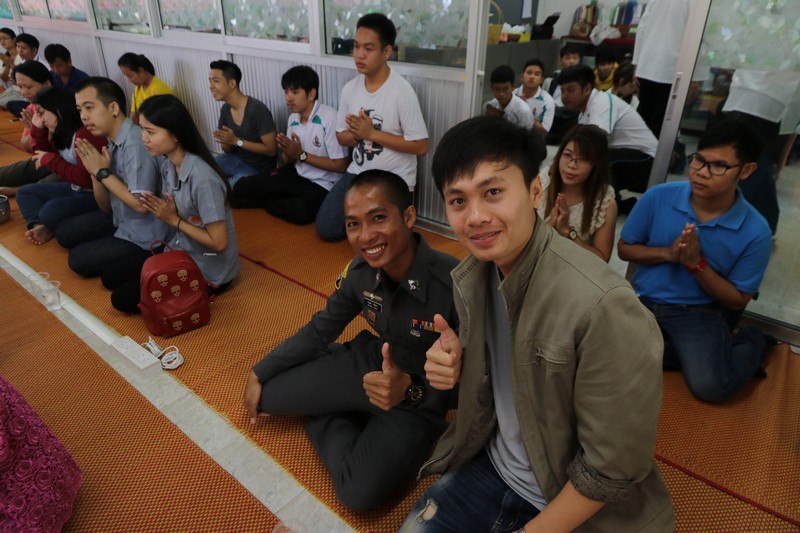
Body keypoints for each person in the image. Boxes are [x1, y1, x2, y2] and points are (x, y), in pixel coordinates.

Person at [399, 115, 674, 532]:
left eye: (493, 192)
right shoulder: (475, 276)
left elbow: (611, 468)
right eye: (458, 201)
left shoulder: (605, 306)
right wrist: (457, 366)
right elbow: (514, 385)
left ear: (534, 191)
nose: (475, 216)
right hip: (495, 466)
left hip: (576, 503)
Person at [243, 170, 458, 512]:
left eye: (378, 218)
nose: (365, 236)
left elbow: (475, 381)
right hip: (369, 365)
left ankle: (327, 407)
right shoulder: (361, 273)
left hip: (417, 400)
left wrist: (410, 388)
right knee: (266, 396)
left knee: (358, 495)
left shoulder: (454, 284)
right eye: (353, 224)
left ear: (408, 216)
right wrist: (260, 369)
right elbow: (321, 328)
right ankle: (336, 389)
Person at [618, 120, 773, 403]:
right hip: (643, 302)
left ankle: (752, 341)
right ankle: (680, 351)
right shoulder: (658, 197)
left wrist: (696, 265)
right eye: (698, 160)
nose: (701, 172)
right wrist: (668, 254)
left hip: (698, 312)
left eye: (718, 166)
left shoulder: (756, 231)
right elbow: (625, 249)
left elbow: (738, 299)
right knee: (596, 348)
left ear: (746, 170)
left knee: (711, 386)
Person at [101, 94, 240, 312]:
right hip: (181, 249)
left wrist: (174, 220)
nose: (143, 138)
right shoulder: (168, 164)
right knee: (111, 276)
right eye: (142, 130)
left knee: (121, 298)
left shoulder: (203, 179)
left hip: (209, 268)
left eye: (150, 132)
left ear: (175, 134)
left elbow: (219, 243)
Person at [316, 12, 429, 241]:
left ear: (386, 52)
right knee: (326, 228)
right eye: (356, 46)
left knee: (386, 237)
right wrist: (358, 135)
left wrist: (372, 133)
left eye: (368, 48)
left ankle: (373, 220)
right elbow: (341, 137)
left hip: (393, 178)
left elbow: (420, 146)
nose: (359, 54)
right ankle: (366, 218)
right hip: (358, 173)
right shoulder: (350, 88)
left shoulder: (401, 91)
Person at [65, 77, 170, 272]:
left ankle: (154, 256)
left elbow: (141, 205)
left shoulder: (135, 143)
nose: (84, 116)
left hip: (147, 235)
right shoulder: (113, 142)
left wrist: (102, 172)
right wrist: (95, 174)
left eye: (89, 107)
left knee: (78, 259)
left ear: (113, 108)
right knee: (66, 233)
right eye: (80, 110)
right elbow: (105, 207)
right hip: (123, 221)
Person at [233, 65, 348, 225]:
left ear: (311, 94)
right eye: (286, 92)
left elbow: (340, 166)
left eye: (295, 92)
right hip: (296, 174)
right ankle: (275, 200)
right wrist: (287, 151)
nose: (288, 98)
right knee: (241, 188)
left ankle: (266, 202)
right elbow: (288, 161)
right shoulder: (293, 118)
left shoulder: (329, 117)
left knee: (302, 212)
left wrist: (301, 155)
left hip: (323, 183)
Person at [560, 64, 658, 214]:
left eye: (570, 90)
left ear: (587, 89)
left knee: (599, 160)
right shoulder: (583, 114)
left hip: (648, 161)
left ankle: (605, 206)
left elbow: (595, 141)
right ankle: (618, 204)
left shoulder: (601, 101)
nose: (565, 96)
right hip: (627, 157)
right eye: (562, 91)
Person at [15, 87, 107, 246]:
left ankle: (48, 223)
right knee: (24, 192)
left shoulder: (84, 133)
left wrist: (51, 159)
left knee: (49, 212)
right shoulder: (62, 131)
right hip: (76, 188)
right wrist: (37, 129)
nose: (40, 118)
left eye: (41, 112)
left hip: (95, 195)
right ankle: (40, 226)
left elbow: (86, 180)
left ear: (57, 108)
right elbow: (41, 156)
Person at [538, 124, 618, 261]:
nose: (571, 165)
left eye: (582, 159)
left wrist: (568, 232)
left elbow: (601, 260)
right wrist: (550, 225)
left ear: (596, 165)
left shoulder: (604, 203)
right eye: (567, 155)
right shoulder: (541, 183)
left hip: (573, 269)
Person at [208, 59, 277, 189]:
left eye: (216, 81)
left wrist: (236, 141)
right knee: (204, 171)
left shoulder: (257, 109)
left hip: (258, 169)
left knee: (224, 188)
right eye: (210, 81)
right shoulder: (225, 109)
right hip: (235, 160)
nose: (211, 86)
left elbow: (271, 150)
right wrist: (226, 140)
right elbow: (227, 150)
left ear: (232, 83)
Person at [632, 0, 693, 137]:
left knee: (643, 120)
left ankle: (639, 149)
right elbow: (697, 35)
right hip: (672, 70)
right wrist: (694, 78)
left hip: (648, 64)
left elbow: (642, 27)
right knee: (660, 126)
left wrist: (637, 64)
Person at [0, 62, 55, 196]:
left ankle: (19, 190)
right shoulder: (32, 107)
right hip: (42, 161)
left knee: (53, 182)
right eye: (20, 87)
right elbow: (27, 147)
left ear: (47, 83)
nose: (24, 92)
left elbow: (62, 153)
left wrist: (40, 133)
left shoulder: (60, 106)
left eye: (28, 87)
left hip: (62, 164)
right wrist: (33, 131)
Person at [117, 53, 173, 125]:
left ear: (140, 70)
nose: (129, 81)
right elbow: (134, 116)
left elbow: (164, 121)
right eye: (127, 76)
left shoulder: (159, 89)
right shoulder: (138, 88)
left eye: (130, 76)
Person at [543, 44, 582, 145]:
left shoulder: (582, 82)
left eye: (575, 58)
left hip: (570, 121)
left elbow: (577, 109)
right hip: (552, 119)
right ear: (560, 61)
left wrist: (552, 110)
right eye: (568, 58)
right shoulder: (554, 80)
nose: (572, 61)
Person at [0, 33, 46, 114]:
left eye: (24, 48)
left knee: (9, 104)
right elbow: (7, 79)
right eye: (18, 46)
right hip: (18, 91)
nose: (20, 51)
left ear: (34, 50)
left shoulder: (42, 66)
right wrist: (16, 81)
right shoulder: (22, 60)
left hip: (34, 96)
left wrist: (11, 64)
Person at [513, 58, 555, 136]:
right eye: (529, 73)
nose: (532, 77)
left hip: (533, 140)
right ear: (522, 77)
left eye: (536, 74)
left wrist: (524, 110)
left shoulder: (548, 101)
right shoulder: (513, 95)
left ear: (541, 80)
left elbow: (544, 131)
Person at [485, 65, 533, 130]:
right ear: (492, 89)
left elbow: (526, 136)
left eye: (505, 89)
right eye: (497, 89)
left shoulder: (523, 111)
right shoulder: (492, 105)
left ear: (513, 87)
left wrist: (498, 120)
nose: (501, 94)